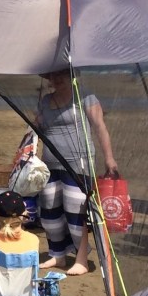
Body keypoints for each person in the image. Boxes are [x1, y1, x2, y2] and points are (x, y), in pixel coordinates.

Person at [36, 69, 118, 276]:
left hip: (79, 163)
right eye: (53, 76)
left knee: (76, 211)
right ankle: (57, 254)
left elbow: (100, 127)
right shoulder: (45, 101)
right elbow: (37, 129)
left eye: (61, 75)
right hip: (49, 164)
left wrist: (109, 158)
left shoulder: (86, 97)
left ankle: (82, 259)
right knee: (50, 211)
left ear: (71, 76)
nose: (57, 79)